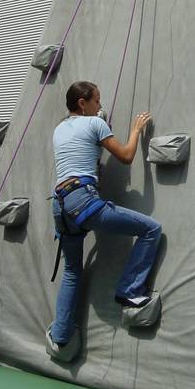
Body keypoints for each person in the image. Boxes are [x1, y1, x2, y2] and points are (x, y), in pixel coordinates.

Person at [49, 81, 161, 347]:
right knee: (151, 229)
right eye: (97, 101)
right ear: (82, 103)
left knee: (72, 271)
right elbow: (125, 156)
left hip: (60, 205)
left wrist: (98, 122)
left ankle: (61, 338)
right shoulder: (96, 125)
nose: (100, 105)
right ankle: (130, 291)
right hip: (82, 200)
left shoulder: (59, 129)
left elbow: (83, 152)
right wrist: (135, 131)